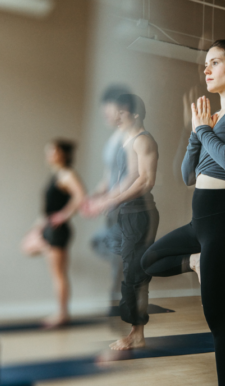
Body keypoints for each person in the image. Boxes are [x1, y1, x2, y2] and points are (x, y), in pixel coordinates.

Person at [141, 39, 225, 386]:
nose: (206, 69)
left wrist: (202, 130)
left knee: (220, 322)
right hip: (201, 222)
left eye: (215, 62)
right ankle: (194, 261)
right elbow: (186, 175)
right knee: (149, 261)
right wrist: (197, 133)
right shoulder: (214, 117)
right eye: (205, 64)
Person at [82, 94, 159, 350]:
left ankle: (137, 333)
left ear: (135, 114)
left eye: (122, 114)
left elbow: (146, 181)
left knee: (134, 273)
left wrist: (112, 201)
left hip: (139, 214)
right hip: (124, 214)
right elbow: (117, 180)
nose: (116, 118)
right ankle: (134, 324)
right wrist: (99, 198)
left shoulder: (144, 140)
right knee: (125, 264)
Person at [21, 140, 85, 327]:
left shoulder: (67, 174)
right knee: (27, 247)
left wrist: (64, 215)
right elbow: (47, 210)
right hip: (49, 228)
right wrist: (37, 228)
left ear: (62, 154)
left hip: (58, 231)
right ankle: (61, 313)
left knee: (58, 274)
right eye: (47, 151)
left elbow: (80, 195)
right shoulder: (55, 175)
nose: (48, 155)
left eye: (52, 151)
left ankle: (62, 314)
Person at [89, 85, 129, 316]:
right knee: (115, 256)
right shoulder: (112, 139)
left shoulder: (129, 138)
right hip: (112, 209)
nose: (104, 111)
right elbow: (108, 177)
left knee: (119, 258)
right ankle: (116, 302)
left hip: (125, 208)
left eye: (109, 105)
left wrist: (107, 202)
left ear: (123, 107)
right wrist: (94, 196)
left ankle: (119, 304)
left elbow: (130, 179)